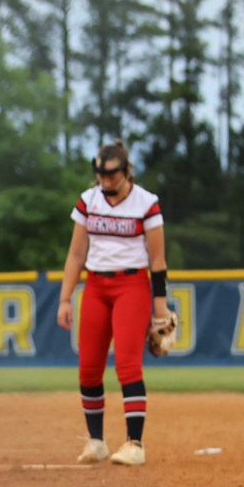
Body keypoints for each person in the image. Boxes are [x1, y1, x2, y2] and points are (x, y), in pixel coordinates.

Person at [57, 139, 172, 467]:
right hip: (96, 286)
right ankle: (96, 442)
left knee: (127, 364)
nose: (105, 181)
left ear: (127, 171)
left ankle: (135, 444)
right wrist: (65, 298)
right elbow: (76, 254)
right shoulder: (89, 200)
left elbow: (158, 260)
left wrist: (160, 308)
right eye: (101, 175)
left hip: (131, 285)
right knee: (89, 366)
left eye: (112, 175)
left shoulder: (146, 203)